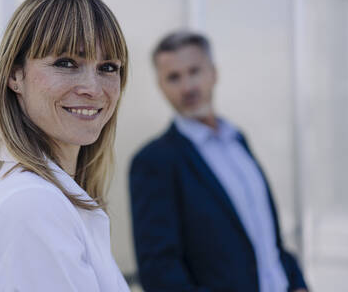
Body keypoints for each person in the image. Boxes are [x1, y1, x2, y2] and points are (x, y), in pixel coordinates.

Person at [0, 0, 130, 291]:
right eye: (66, 63)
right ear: (15, 76)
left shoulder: (48, 196)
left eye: (108, 68)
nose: (93, 87)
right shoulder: (31, 204)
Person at [129, 31, 308, 292]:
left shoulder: (238, 141)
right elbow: (159, 273)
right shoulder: (154, 161)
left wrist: (298, 284)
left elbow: (267, 239)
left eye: (194, 71)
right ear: (161, 86)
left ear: (214, 73)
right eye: (173, 77)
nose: (187, 86)